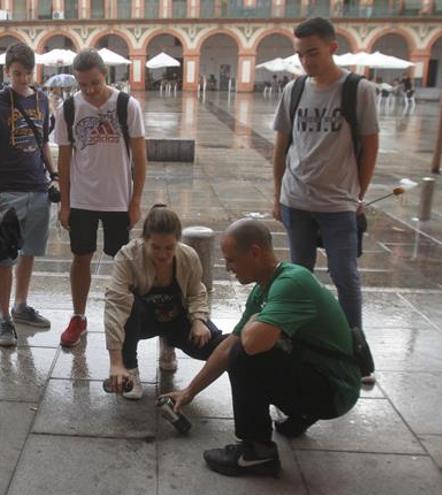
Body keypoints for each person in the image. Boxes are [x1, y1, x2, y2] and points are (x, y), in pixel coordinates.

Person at [161, 219, 361, 477]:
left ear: (254, 252)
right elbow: (226, 346)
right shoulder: (264, 288)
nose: (228, 268)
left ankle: (257, 452)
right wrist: (188, 393)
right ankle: (300, 415)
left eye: (231, 260)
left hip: (336, 390)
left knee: (245, 357)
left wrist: (254, 326)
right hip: (321, 376)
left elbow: (249, 345)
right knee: (242, 346)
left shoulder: (292, 282)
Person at [270, 17, 379, 381]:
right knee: (299, 274)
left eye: (312, 52)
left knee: (345, 275)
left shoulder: (358, 90)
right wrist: (277, 193)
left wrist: (357, 194)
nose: (306, 61)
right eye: (300, 54)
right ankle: (302, 339)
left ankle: (354, 345)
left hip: (337, 204)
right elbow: (281, 145)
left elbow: (370, 147)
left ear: (333, 47)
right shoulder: (294, 90)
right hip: (296, 200)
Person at [54, 48, 147, 347]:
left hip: (118, 199)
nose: (90, 90)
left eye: (94, 82)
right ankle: (78, 317)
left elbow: (141, 159)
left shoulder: (126, 105)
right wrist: (65, 203)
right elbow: (64, 161)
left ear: (105, 74)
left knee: (122, 261)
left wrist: (135, 201)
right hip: (82, 199)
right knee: (81, 256)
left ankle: (125, 315)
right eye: (83, 84)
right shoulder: (68, 109)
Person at [105, 206, 226, 399]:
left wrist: (198, 321)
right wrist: (116, 363)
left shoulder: (189, 256)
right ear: (145, 240)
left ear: (178, 241)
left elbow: (197, 292)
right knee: (129, 305)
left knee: (216, 345)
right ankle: (130, 369)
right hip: (141, 321)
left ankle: (168, 343)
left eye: (169, 248)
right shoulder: (127, 256)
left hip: (176, 318)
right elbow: (115, 306)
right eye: (155, 247)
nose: (162, 255)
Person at [0, 43, 56, 346]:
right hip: (8, 190)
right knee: (4, 257)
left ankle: (20, 306)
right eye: (16, 74)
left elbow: (44, 143)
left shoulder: (42, 99)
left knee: (29, 253)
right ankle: (3, 318)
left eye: (26, 73)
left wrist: (55, 174)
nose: (22, 79)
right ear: (6, 72)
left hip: (38, 188)